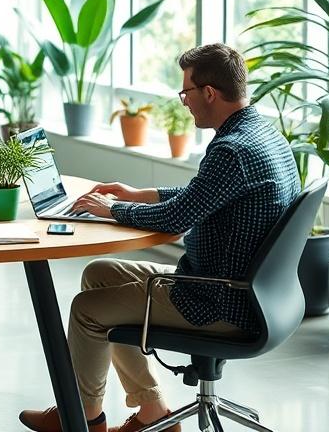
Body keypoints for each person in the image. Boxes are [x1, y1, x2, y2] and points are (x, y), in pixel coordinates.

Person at [20, 44, 299, 432]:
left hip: (217, 301)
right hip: (253, 294)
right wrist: (137, 194)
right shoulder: (261, 134)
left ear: (210, 93)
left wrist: (112, 210)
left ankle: (82, 420)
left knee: (87, 309)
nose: (184, 102)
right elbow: (204, 194)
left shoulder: (231, 150)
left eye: (186, 92)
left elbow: (178, 218)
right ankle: (155, 414)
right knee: (99, 272)